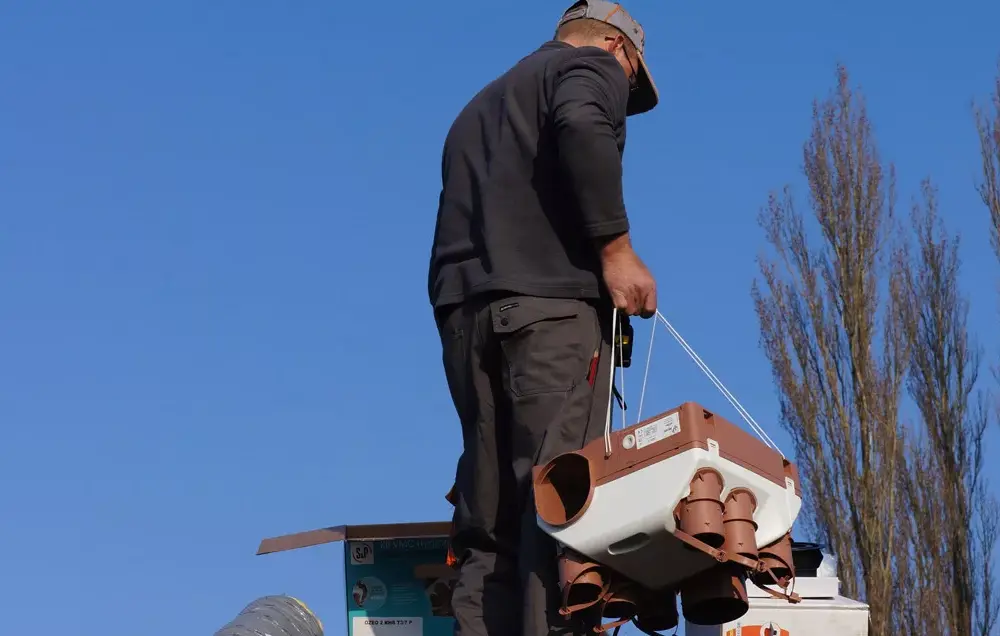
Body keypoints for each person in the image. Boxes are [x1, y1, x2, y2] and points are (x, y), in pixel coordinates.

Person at [426, 2, 659, 634]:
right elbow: (583, 123)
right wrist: (616, 250)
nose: (624, 94)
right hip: (549, 318)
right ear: (621, 51)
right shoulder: (592, 68)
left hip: (465, 319)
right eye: (632, 83)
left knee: (488, 513)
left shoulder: (476, 109)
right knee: (559, 504)